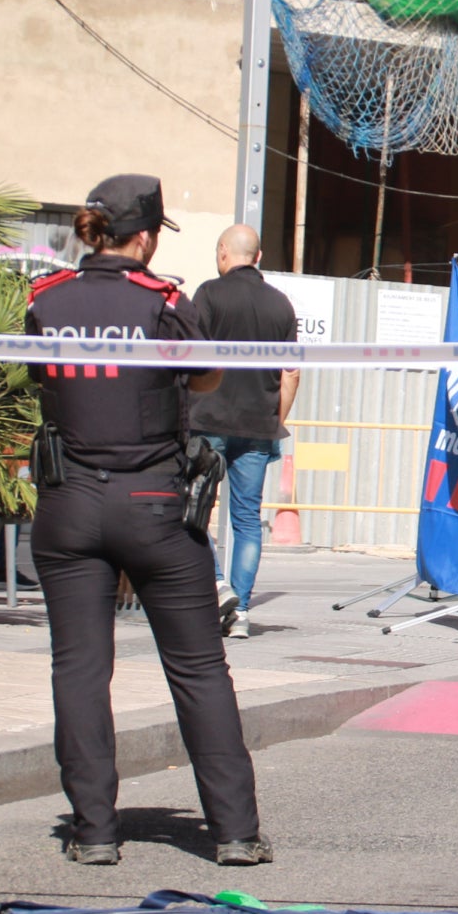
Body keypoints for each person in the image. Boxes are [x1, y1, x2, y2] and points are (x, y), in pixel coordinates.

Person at [29, 176, 268, 867]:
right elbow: (205, 379)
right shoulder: (163, 303)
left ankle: (95, 831)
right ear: (145, 237)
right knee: (198, 669)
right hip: (153, 502)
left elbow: (40, 377)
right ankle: (234, 832)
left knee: (78, 668)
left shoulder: (47, 301)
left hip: (69, 500)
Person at [190, 222, 300, 640]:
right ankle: (243, 610)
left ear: (223, 253)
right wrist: (277, 420)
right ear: (259, 257)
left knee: (198, 508)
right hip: (258, 427)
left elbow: (193, 359)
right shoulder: (281, 306)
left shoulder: (208, 295)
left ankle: (217, 587)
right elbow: (291, 374)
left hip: (207, 422)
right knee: (247, 521)